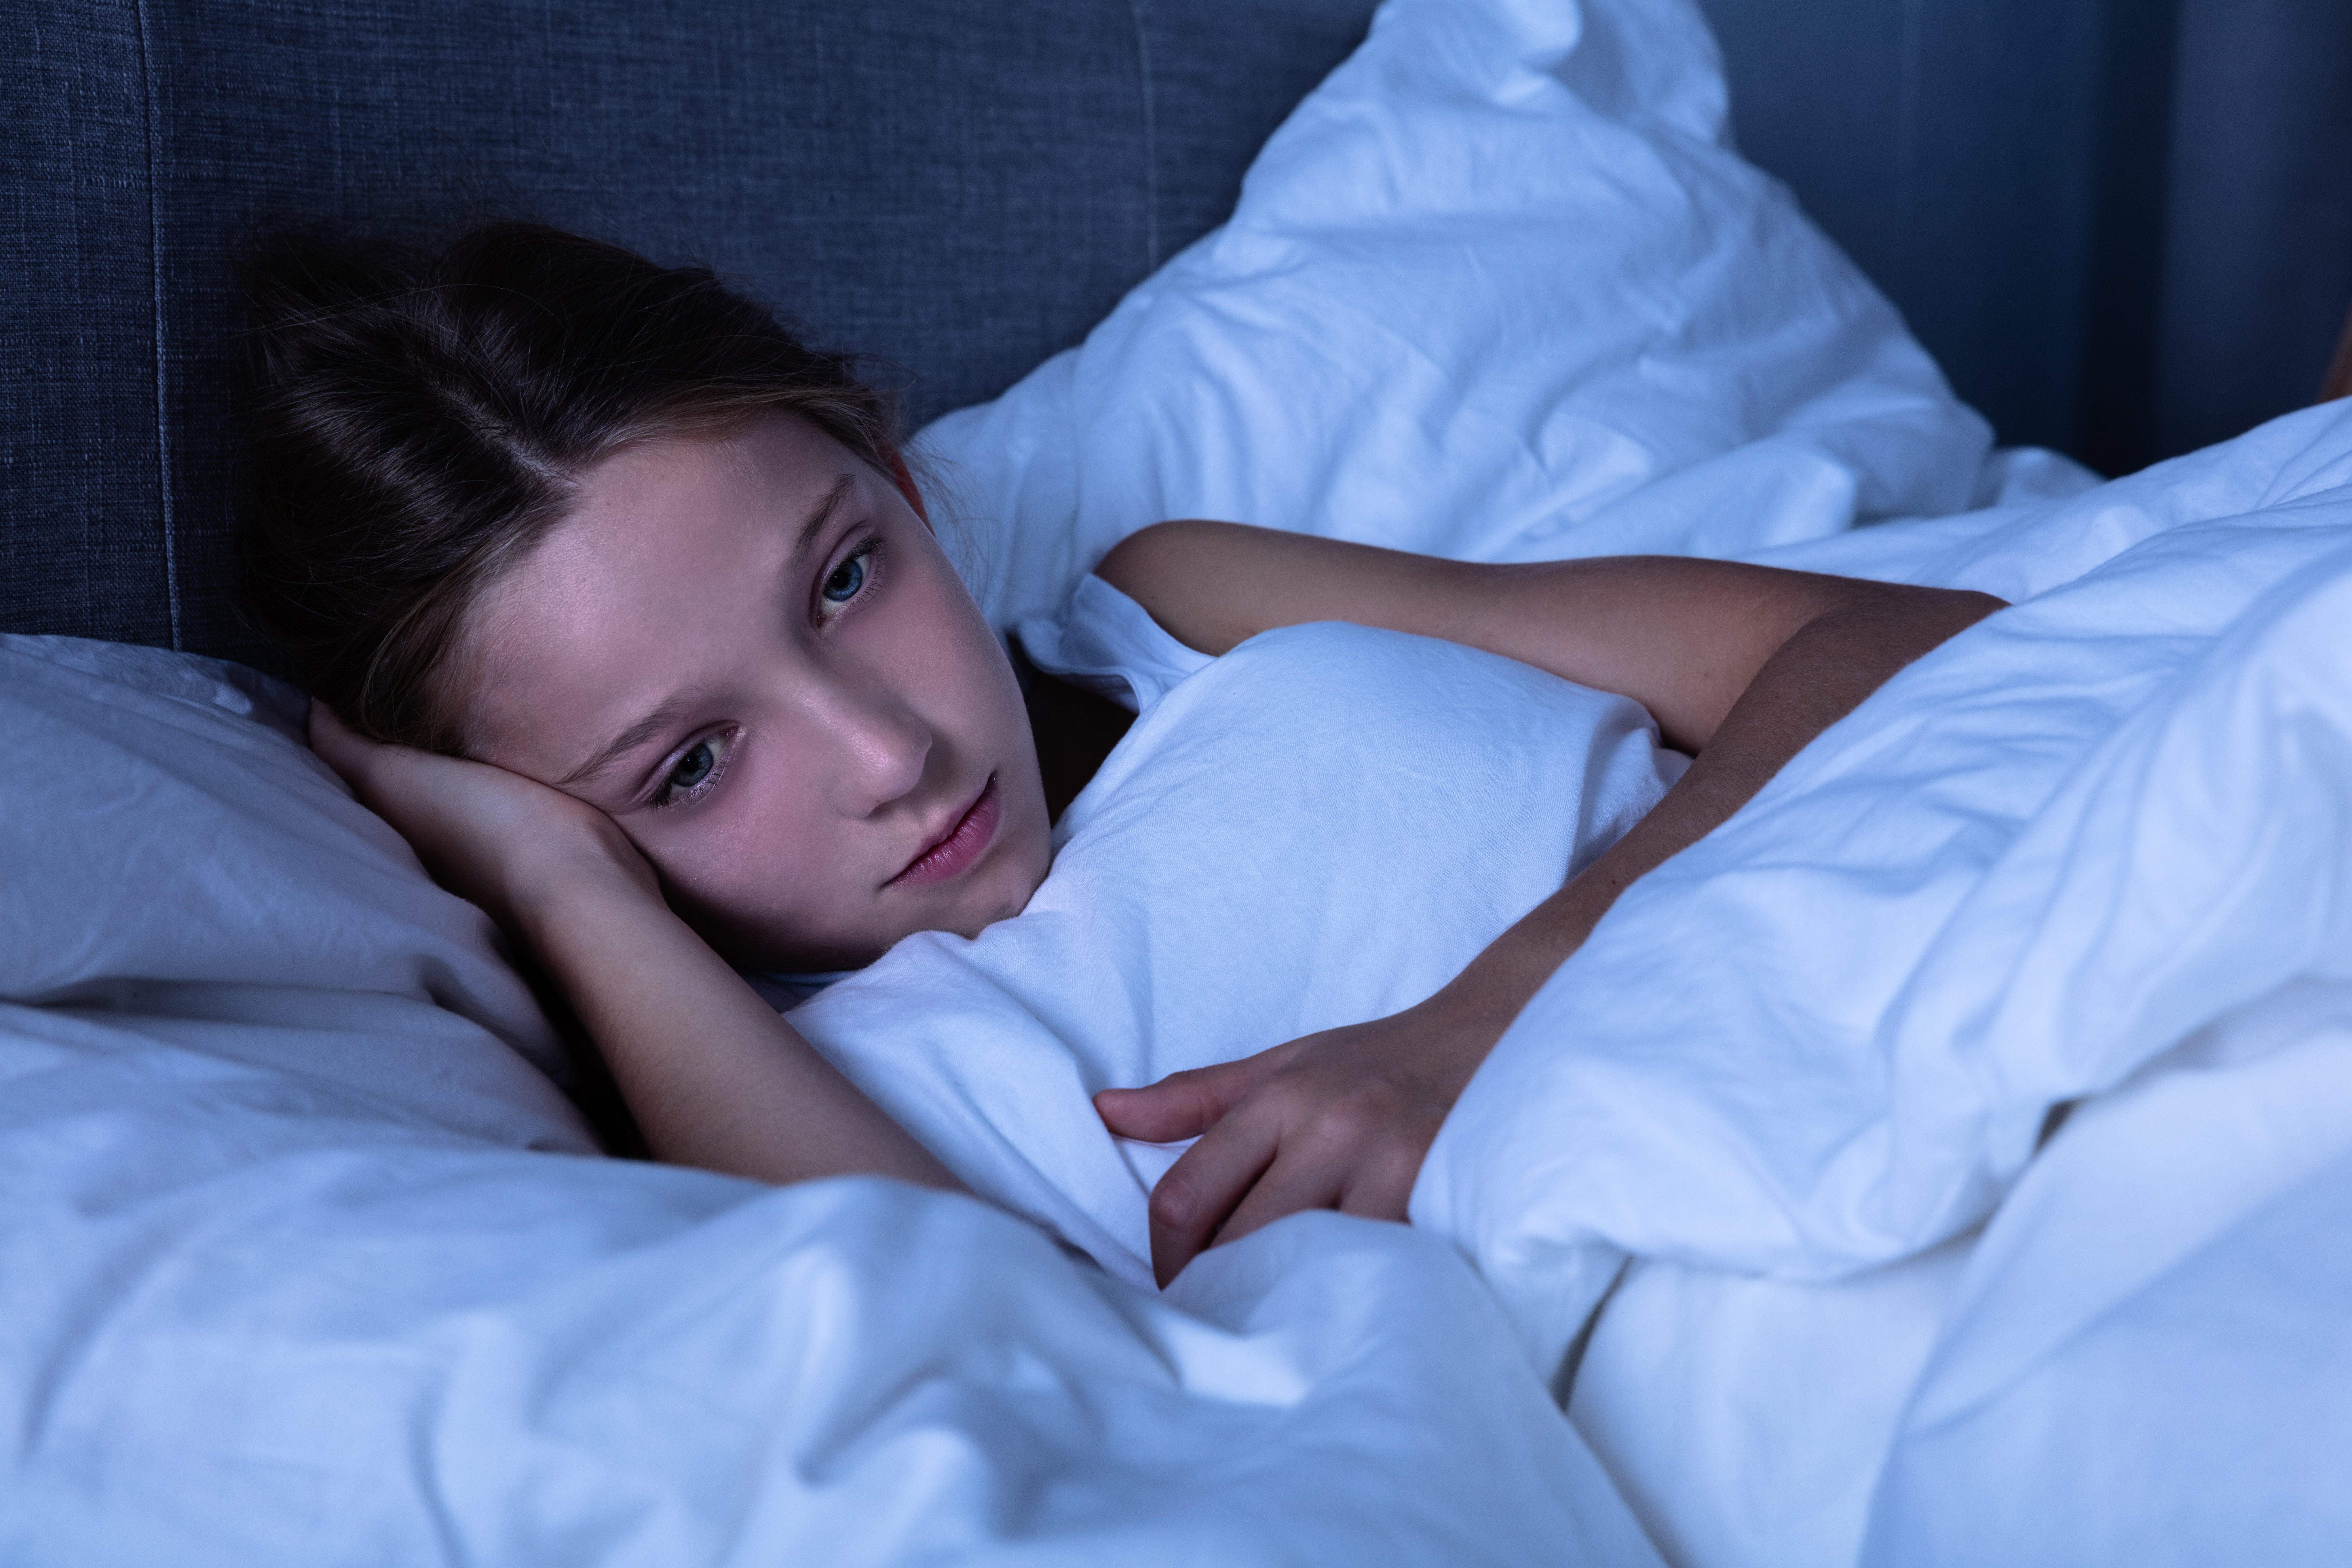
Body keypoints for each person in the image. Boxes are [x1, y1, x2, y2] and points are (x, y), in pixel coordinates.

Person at [239, 221, 2003, 1287]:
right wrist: (561, 892)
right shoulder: (787, 1099)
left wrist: (1486, 1013)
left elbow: (1895, 641)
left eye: (847, 574)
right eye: (687, 766)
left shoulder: (1174, 611)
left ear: (901, 469)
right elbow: (996, 1368)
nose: (888, 748)